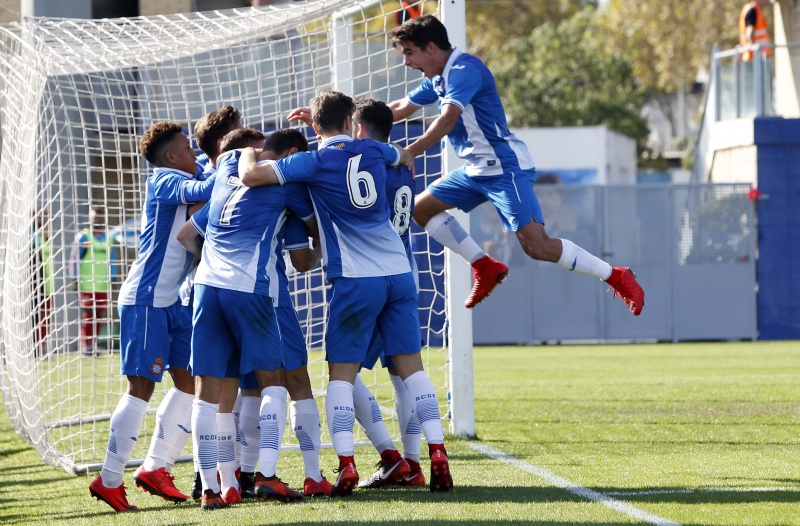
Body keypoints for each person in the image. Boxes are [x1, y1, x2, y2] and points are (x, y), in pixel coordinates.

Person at [241, 90, 453, 496]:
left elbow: (254, 177)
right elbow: (400, 156)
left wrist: (245, 156)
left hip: (357, 279)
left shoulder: (312, 161)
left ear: (316, 127)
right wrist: (398, 154)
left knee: (340, 374)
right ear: (352, 123)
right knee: (413, 369)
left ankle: (346, 465)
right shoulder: (375, 151)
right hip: (400, 273)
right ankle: (437, 452)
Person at [387, 15, 645, 315]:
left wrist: (411, 151)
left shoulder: (465, 70)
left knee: (538, 248)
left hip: (504, 168)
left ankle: (617, 276)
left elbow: (447, 119)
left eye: (409, 52)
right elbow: (399, 108)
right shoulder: (438, 78)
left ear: (431, 48)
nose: (406, 62)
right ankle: (484, 265)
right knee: (419, 208)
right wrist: (352, 119)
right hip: (475, 170)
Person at [186, 128, 319, 509]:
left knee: (208, 396)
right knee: (272, 383)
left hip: (206, 287)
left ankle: (215, 488)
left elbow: (187, 234)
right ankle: (267, 476)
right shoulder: (288, 185)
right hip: (249, 288)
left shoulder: (226, 167)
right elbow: (314, 234)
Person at [89, 121, 216, 512]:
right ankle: (109, 480)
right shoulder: (163, 179)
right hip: (144, 300)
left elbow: (206, 182)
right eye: (187, 148)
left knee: (191, 382)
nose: (194, 153)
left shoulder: (181, 171)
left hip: (171, 302)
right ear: (171, 156)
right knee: (141, 388)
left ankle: (155, 468)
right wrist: (232, 163)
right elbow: (207, 188)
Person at [349, 98, 424, 489]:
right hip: (405, 271)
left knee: (342, 373)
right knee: (404, 375)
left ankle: (388, 454)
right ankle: (412, 463)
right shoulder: (405, 165)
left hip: (371, 275)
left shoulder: (369, 168)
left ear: (358, 130)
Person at [70, 206, 119, 356]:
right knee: (88, 315)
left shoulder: (109, 238)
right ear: (90, 219)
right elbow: (74, 259)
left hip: (102, 285)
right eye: (94, 217)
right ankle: (86, 346)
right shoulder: (83, 237)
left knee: (99, 315)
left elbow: (113, 261)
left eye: (99, 217)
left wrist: (113, 278)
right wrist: (74, 278)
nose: (96, 219)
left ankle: (94, 344)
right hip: (86, 284)